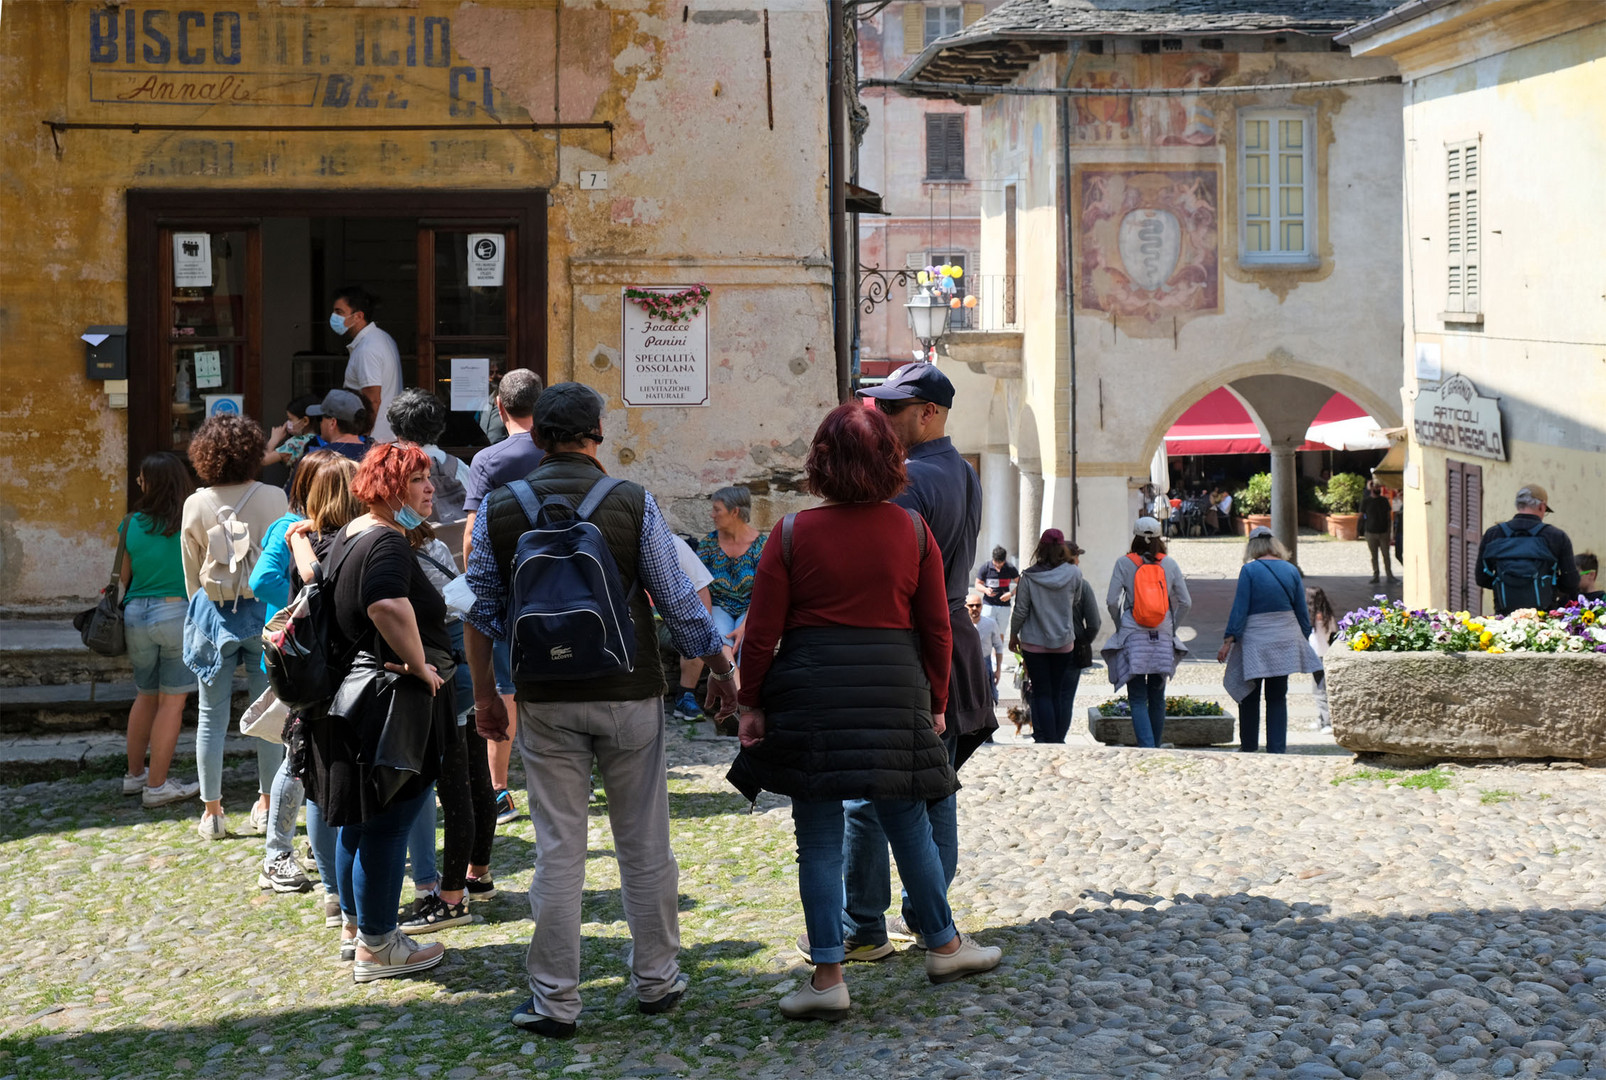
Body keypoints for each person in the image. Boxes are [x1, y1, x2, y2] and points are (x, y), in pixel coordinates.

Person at [462, 382, 740, 1037]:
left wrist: (482, 695)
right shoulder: (630, 502)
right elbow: (676, 600)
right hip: (628, 690)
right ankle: (656, 980)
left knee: (558, 850)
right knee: (645, 843)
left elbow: (480, 609)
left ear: (536, 438)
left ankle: (556, 1000)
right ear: (598, 435)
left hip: (543, 699)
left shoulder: (502, 509)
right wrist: (722, 671)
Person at [727, 403, 1001, 1022]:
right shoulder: (912, 532)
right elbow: (936, 629)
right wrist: (936, 703)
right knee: (908, 821)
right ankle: (944, 944)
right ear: (891, 463)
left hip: (810, 691)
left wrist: (751, 704)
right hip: (893, 687)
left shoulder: (793, 534)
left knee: (818, 833)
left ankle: (828, 975)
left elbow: (763, 631)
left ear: (820, 464)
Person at [287, 441, 452, 981]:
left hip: (356, 703)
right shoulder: (383, 540)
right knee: (388, 822)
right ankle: (379, 948)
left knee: (362, 821)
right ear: (390, 487)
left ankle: (361, 931)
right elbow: (385, 605)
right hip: (388, 704)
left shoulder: (352, 534)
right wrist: (420, 663)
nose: (430, 489)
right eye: (420, 480)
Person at [851, 361, 993, 957]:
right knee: (938, 788)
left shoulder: (908, 481)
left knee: (867, 796)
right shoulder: (962, 472)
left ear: (928, 413)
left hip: (913, 647)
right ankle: (924, 914)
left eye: (891, 409)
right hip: (956, 642)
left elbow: (893, 583)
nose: (879, 417)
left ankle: (861, 926)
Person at [247, 451, 359, 897]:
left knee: (313, 758)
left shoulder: (331, 530)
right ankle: (276, 853)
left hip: (322, 658)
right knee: (296, 759)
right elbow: (262, 581)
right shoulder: (289, 529)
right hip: (296, 657)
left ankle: (319, 842)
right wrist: (306, 605)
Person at [181, 416, 290, 841]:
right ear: (252, 451)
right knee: (269, 711)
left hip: (214, 615)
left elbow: (191, 577)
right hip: (265, 614)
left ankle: (213, 811)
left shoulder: (195, 504)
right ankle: (266, 803)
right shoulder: (273, 497)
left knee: (211, 715)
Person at [399, 518, 499, 934]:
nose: (429, 492)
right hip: (462, 666)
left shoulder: (401, 552)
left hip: (442, 671)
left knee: (457, 785)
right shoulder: (433, 545)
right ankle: (479, 874)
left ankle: (453, 897)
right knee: (476, 776)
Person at [460, 368, 546, 826]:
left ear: (499, 408)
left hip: (511, 584)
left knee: (506, 687)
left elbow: (473, 534)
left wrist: (474, 584)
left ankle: (499, 790)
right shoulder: (563, 450)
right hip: (565, 583)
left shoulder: (489, 460)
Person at [118, 452, 201, 808]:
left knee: (144, 695)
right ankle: (157, 786)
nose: (138, 481)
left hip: (136, 613)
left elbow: (122, 580)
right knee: (172, 702)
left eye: (141, 477)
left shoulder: (130, 523)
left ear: (150, 483)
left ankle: (134, 776)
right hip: (176, 612)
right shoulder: (190, 521)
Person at [1217, 527, 1320, 754]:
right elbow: (1302, 611)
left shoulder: (1249, 571)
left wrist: (1228, 639)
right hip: (1284, 637)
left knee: (1249, 694)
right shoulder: (1290, 570)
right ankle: (1277, 749)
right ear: (1274, 544)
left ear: (1252, 546)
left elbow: (1240, 609)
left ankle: (1249, 746)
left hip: (1255, 640)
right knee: (1277, 697)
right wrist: (1303, 637)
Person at [675, 487, 764, 719]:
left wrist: (745, 625)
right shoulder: (709, 545)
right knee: (723, 644)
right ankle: (741, 706)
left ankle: (737, 703)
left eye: (717, 510)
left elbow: (765, 590)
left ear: (734, 512)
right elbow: (700, 585)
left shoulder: (760, 545)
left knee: (749, 643)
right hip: (719, 606)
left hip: (751, 607)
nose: (712, 515)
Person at [1103, 517, 1192, 749]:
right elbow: (1186, 602)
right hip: (1162, 634)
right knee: (1157, 695)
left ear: (1134, 536)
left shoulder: (1124, 563)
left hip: (1133, 633)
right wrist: (1172, 626)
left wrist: (1120, 624)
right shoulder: (1169, 564)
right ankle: (1156, 744)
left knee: (1137, 697)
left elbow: (1112, 601)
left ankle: (1147, 747)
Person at [1009, 530, 1100, 744]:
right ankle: (1057, 739)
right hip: (1063, 642)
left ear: (1040, 548)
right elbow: (1076, 600)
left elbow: (1020, 610)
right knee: (1058, 693)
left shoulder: (1029, 576)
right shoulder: (1075, 574)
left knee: (1041, 692)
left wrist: (1014, 635)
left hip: (1034, 643)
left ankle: (1047, 739)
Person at [1475, 484, 1580, 615]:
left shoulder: (1493, 534)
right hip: (1543, 617)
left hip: (1504, 616)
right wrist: (1547, 585)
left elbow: (1481, 578)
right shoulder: (1557, 537)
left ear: (1518, 506)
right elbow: (1570, 582)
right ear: (1542, 506)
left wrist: (1508, 582)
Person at [387, 389, 472, 549]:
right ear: (440, 426)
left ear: (396, 428)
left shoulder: (391, 470)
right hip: (458, 560)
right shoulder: (459, 467)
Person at [330, 286, 403, 442]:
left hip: (375, 440)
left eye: (339, 312)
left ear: (358, 316)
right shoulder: (382, 338)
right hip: (385, 436)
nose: (334, 317)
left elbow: (372, 399)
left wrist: (363, 436)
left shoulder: (367, 349)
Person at [303, 389, 373, 465]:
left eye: (320, 418)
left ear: (333, 423)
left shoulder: (315, 461)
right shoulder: (378, 458)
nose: (320, 423)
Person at [1307, 585, 1339, 733]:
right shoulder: (1328, 616)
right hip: (1326, 654)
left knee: (1319, 690)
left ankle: (1327, 722)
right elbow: (1334, 635)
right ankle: (1321, 720)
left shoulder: (1309, 618)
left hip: (1316, 656)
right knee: (1321, 688)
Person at [965, 591, 1005, 706]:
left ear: (982, 607)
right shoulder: (960, 625)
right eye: (971, 605)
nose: (974, 608)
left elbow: (998, 646)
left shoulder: (990, 624)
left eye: (978, 605)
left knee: (986, 699)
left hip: (985, 665)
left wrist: (998, 670)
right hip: (966, 665)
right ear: (965, 606)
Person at [262, 393, 321, 470]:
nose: (287, 423)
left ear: (305, 421)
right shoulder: (323, 438)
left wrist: (274, 439)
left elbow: (263, 460)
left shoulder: (296, 443)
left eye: (290, 419)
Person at [974, 545, 1018, 626]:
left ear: (1004, 560)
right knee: (987, 630)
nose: (997, 565)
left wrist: (1011, 594)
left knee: (1001, 633)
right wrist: (986, 590)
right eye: (995, 562)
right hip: (988, 604)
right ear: (993, 559)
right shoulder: (985, 567)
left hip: (1004, 605)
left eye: (1000, 563)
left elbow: (1021, 583)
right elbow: (977, 584)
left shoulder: (1010, 568)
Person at [1361, 482, 1395, 584]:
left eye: (1379, 486)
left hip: (1383, 531)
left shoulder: (1384, 500)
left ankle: (1389, 575)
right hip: (1370, 532)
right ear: (1370, 488)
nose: (1377, 488)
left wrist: (1390, 531)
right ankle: (1376, 575)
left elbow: (1389, 516)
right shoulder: (1366, 501)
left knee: (1386, 555)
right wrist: (1362, 530)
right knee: (1374, 555)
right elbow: (1361, 515)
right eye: (1375, 486)